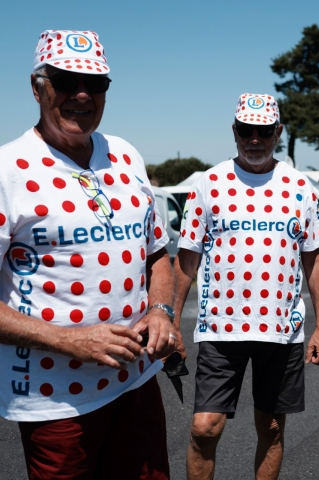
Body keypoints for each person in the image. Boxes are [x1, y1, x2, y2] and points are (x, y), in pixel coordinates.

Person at [0, 30, 177, 479]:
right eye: (65, 80)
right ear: (38, 87)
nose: (82, 94)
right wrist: (69, 340)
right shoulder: (7, 170)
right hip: (54, 399)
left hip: (136, 381)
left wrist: (160, 311)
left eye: (95, 84)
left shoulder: (125, 154)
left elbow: (156, 253)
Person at [173, 93, 319, 480]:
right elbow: (187, 258)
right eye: (247, 130)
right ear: (235, 132)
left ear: (278, 132)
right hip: (218, 329)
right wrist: (170, 321)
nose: (255, 139)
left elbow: (314, 257)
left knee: (272, 428)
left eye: (264, 130)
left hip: (281, 332)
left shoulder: (299, 186)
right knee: (204, 429)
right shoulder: (208, 184)